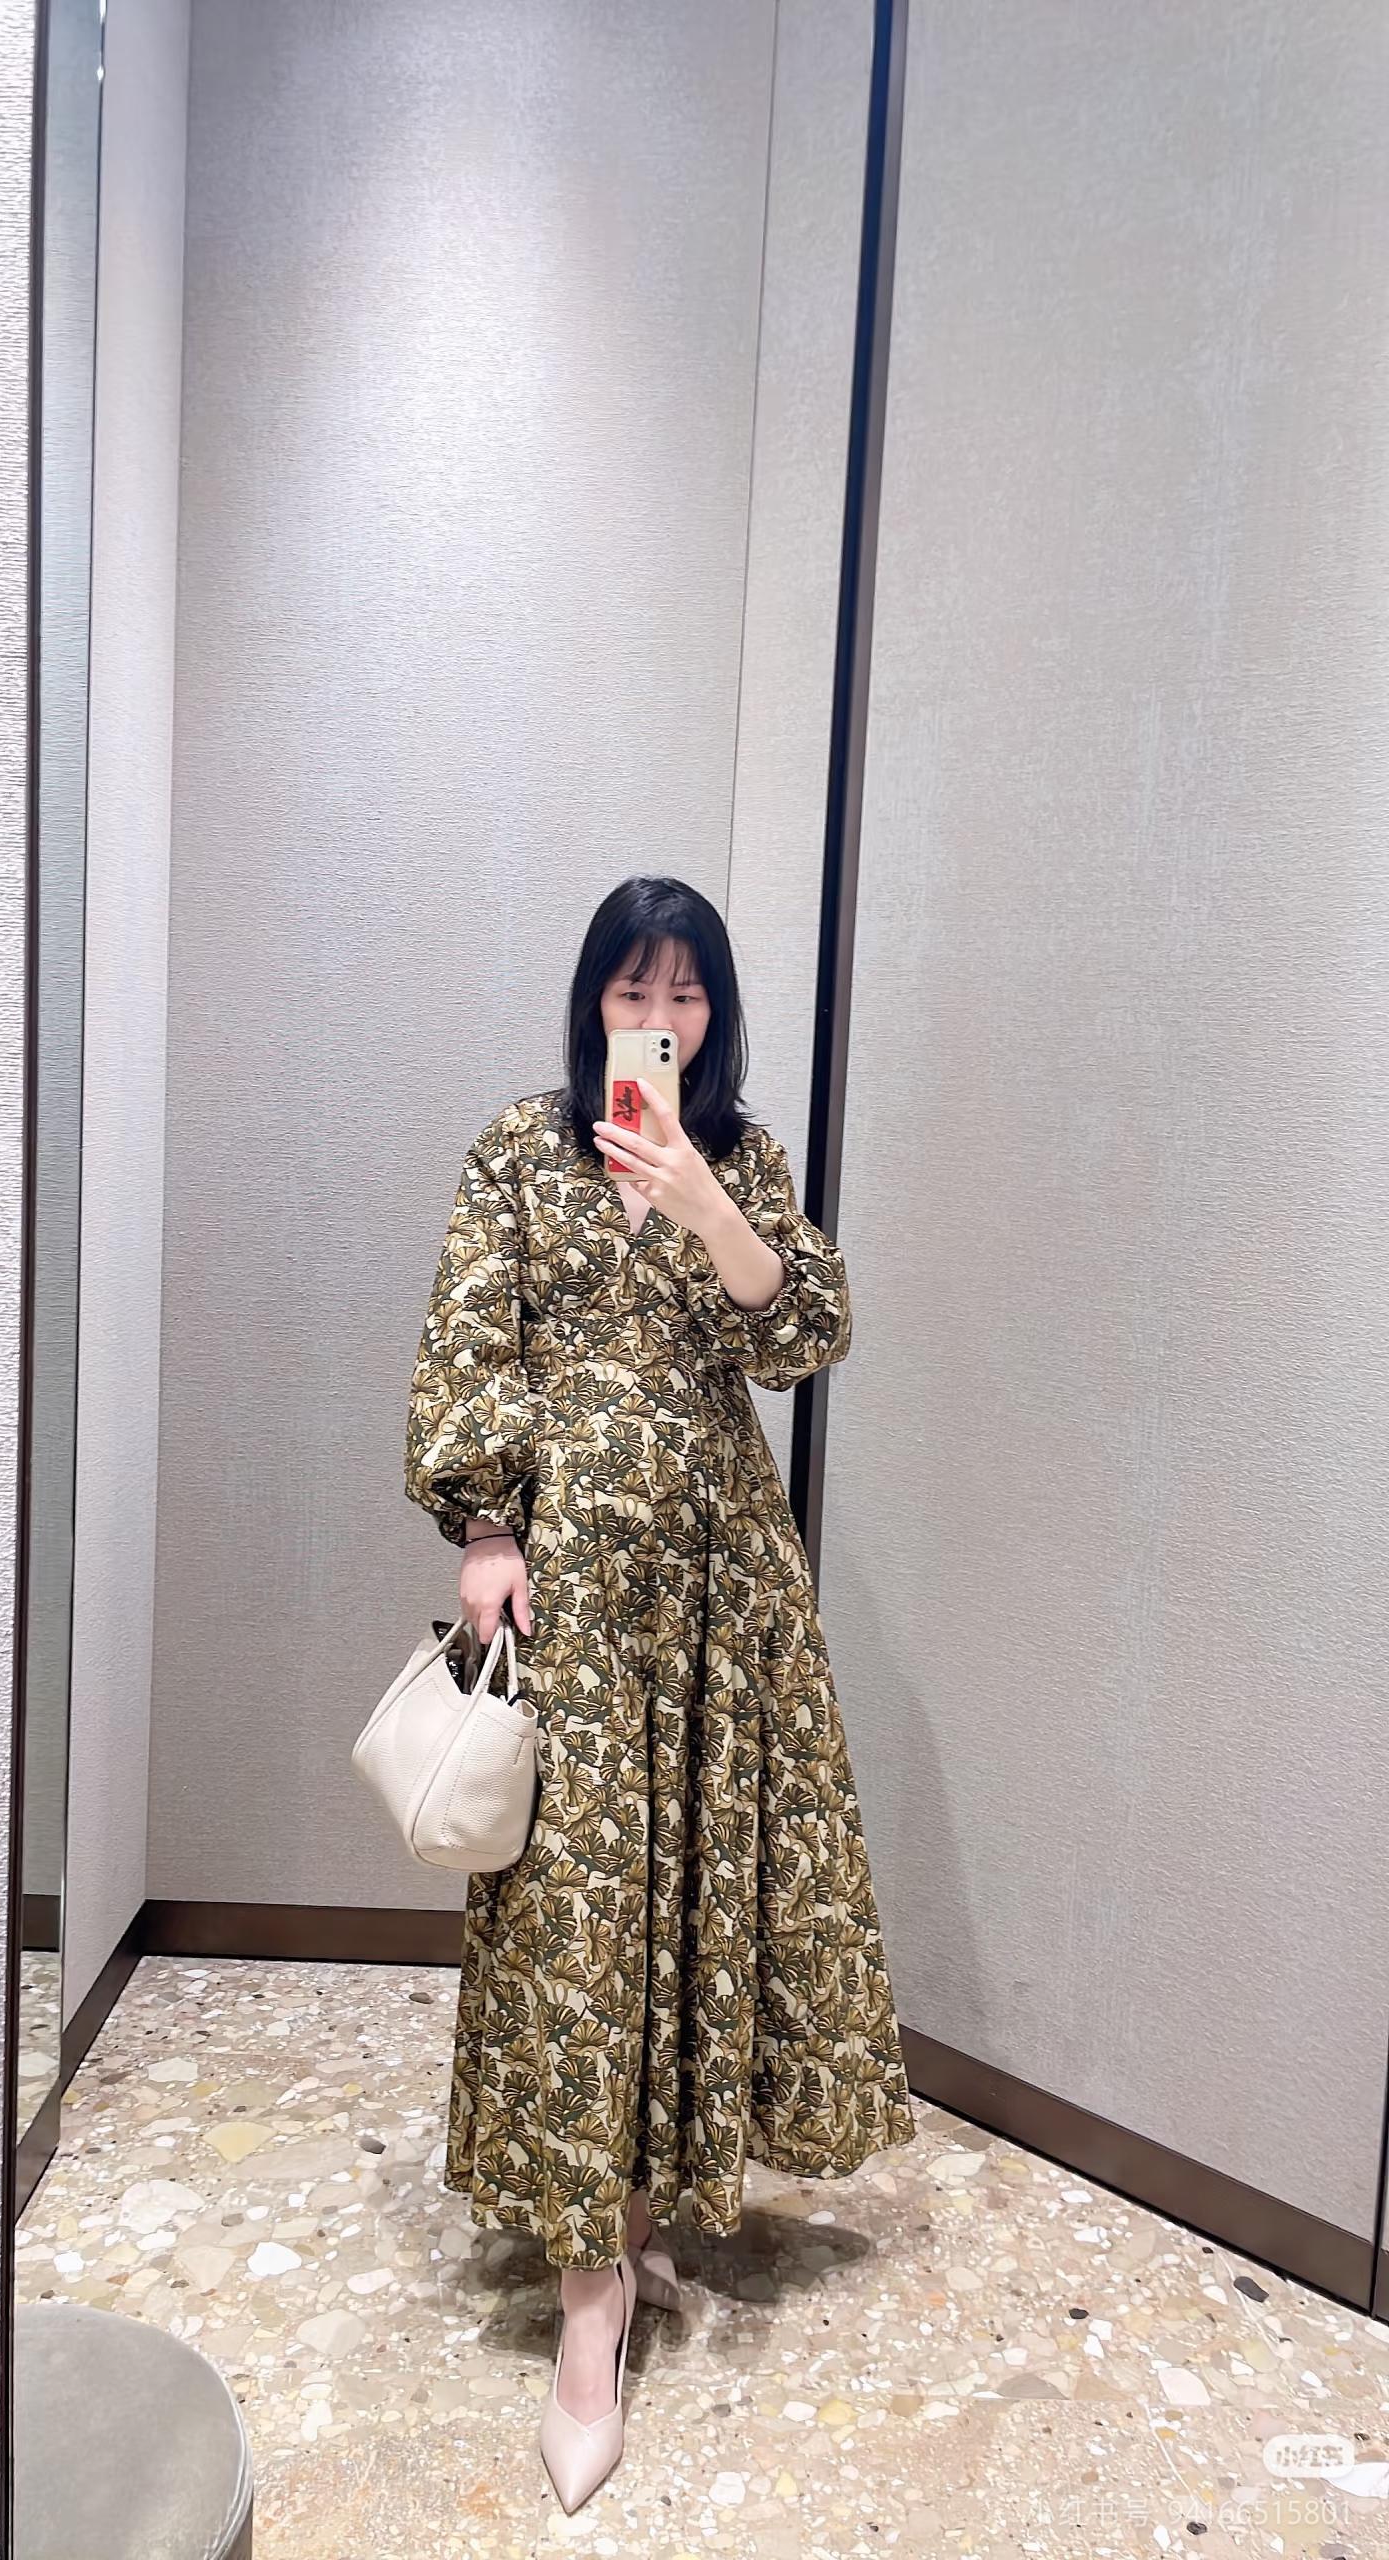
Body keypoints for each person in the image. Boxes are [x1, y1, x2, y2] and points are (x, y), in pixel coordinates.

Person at [404, 874, 916, 2510]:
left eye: (686, 993)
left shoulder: (739, 1160)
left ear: (718, 1013)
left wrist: (700, 1198)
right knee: (576, 1921)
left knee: (692, 1897)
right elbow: (470, 1341)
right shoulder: (517, 1151)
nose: (658, 1018)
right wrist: (486, 1529)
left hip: (717, 1593)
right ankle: (588, 2299)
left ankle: (646, 2208)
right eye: (634, 991)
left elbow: (806, 1331)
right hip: (573, 1589)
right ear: (593, 1004)